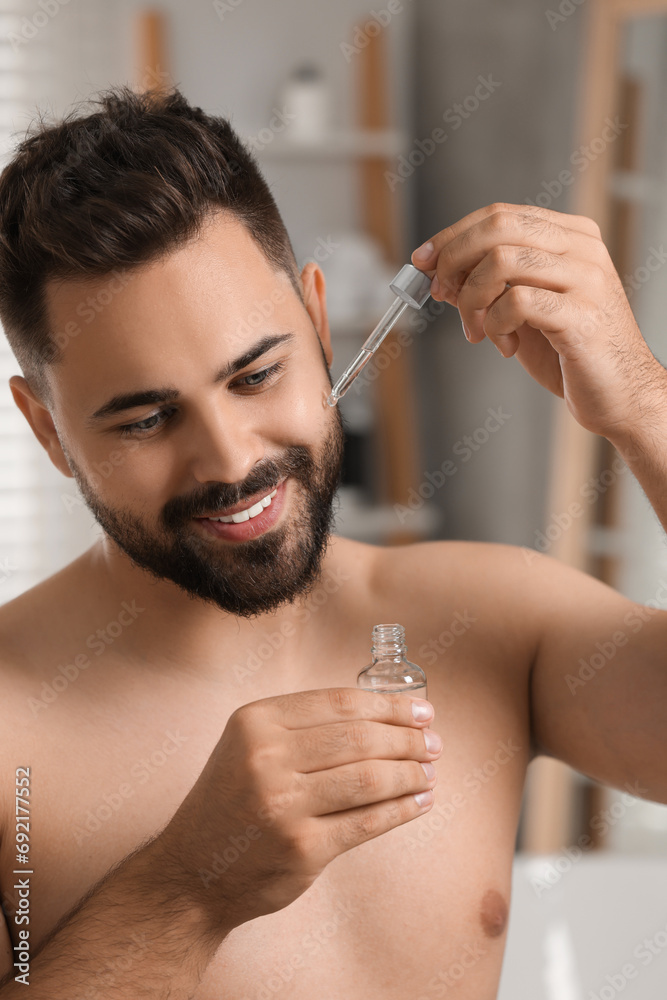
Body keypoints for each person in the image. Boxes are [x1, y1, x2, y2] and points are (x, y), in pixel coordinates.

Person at [0, 84, 665, 1000]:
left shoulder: (494, 621)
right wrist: (188, 890)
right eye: (147, 419)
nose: (230, 461)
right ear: (46, 431)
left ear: (317, 320)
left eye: (257, 374)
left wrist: (643, 408)